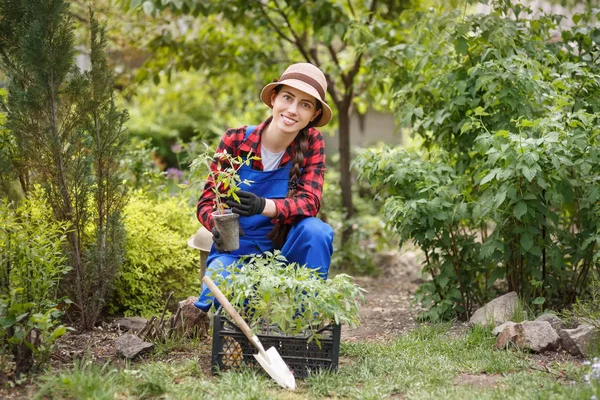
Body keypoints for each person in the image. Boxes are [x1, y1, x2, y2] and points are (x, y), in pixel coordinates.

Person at [194, 63, 335, 312]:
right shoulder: (236, 140)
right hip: (238, 251)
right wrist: (214, 225)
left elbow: (310, 202)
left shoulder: (312, 142)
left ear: (313, 115)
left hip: (284, 253)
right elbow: (207, 202)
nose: (293, 110)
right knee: (220, 294)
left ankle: (304, 323)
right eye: (288, 98)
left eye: (305, 104)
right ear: (273, 98)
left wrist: (263, 205)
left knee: (316, 231)